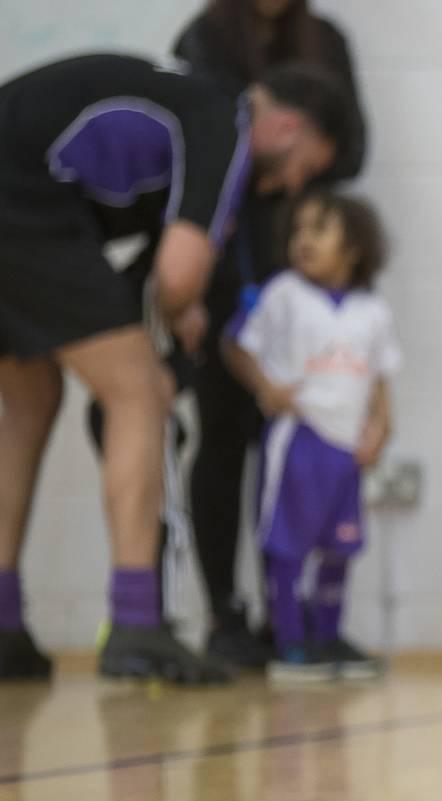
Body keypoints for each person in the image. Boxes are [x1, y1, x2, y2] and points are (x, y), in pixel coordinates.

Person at [0, 53, 350, 684]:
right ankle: (136, 623)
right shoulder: (224, 125)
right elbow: (179, 276)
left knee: (29, 404)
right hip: (19, 199)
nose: (295, 187)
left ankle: (2, 625)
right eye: (307, 169)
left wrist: (168, 304)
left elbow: (158, 272)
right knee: (140, 393)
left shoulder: (191, 94)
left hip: (25, 192)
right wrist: (172, 316)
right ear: (290, 129)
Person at [174, 0, 368, 670]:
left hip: (294, 275)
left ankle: (296, 622)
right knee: (222, 438)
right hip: (219, 263)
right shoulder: (204, 37)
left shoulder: (326, 41)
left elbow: (353, 152)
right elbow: (206, 143)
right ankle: (225, 613)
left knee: (294, 455)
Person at [224, 191, 398, 682]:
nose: (303, 241)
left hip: (347, 446)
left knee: (340, 545)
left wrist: (382, 424)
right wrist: (266, 387)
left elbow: (382, 375)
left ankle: (327, 635)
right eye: (298, 231)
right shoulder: (283, 293)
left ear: (355, 247)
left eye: (319, 230)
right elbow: (237, 344)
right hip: (299, 437)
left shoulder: (372, 309)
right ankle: (290, 643)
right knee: (287, 544)